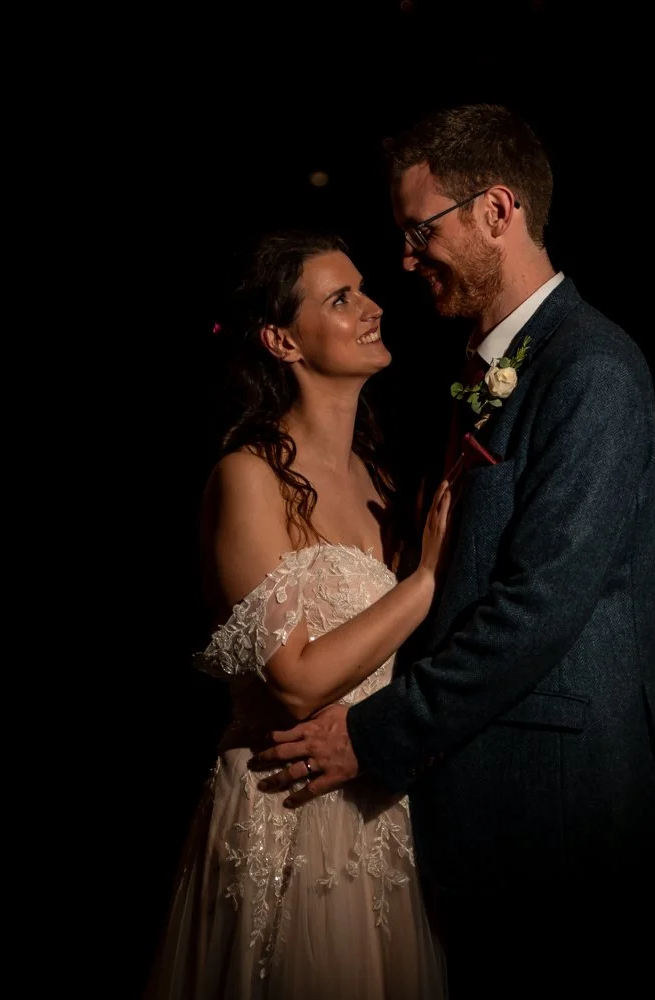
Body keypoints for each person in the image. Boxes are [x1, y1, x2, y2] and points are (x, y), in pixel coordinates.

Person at [248, 104, 655, 996]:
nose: (405, 262)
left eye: (419, 231)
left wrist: (371, 735)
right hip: (477, 820)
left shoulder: (591, 368)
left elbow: (537, 608)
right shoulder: (482, 377)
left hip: (561, 815)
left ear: (496, 210)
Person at [145, 231, 454, 999]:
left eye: (365, 290)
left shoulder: (380, 479)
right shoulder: (248, 477)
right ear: (283, 340)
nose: (373, 307)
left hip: (373, 805)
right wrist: (425, 580)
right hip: (283, 811)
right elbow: (293, 680)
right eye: (340, 298)